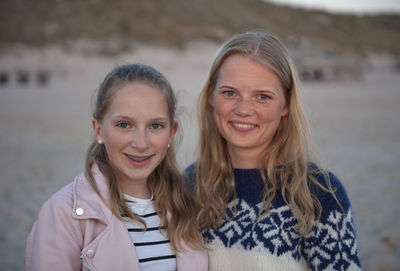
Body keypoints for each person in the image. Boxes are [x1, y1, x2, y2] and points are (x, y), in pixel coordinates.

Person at [185, 32, 361, 270]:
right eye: (230, 93)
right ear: (211, 96)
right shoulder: (188, 186)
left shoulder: (319, 195)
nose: (244, 109)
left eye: (263, 97)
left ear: (286, 105)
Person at [26, 64, 208, 271]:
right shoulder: (62, 213)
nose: (141, 144)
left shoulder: (185, 205)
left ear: (171, 132)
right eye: (124, 125)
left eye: (155, 126)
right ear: (99, 129)